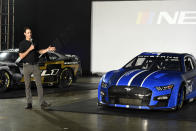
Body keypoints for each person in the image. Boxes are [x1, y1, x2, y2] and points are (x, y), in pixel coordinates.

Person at [19, 26, 56, 109]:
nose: (30, 34)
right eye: (28, 33)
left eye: (30, 32)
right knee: (27, 85)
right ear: (25, 34)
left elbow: (39, 51)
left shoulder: (34, 42)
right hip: (26, 66)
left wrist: (47, 49)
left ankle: (42, 102)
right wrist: (29, 49)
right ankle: (29, 103)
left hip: (35, 65)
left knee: (39, 85)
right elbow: (21, 56)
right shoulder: (22, 44)